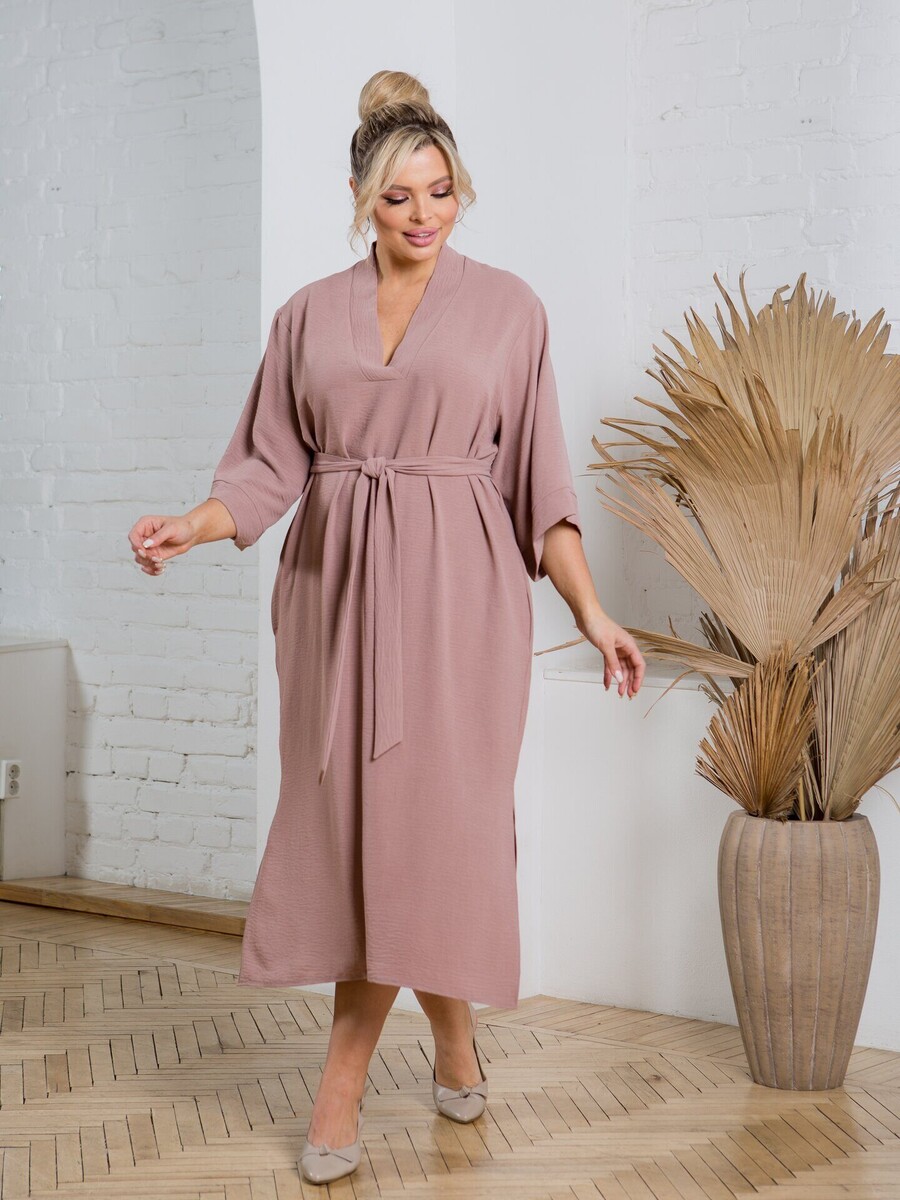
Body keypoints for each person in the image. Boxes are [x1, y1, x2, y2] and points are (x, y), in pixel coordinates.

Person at [128, 68, 645, 1185]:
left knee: (432, 832)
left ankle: (341, 1086)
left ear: (463, 191)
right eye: (399, 197)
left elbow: (542, 489)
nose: (423, 215)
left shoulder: (511, 310)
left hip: (461, 604)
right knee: (358, 832)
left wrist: (595, 613)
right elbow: (265, 468)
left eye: (441, 192)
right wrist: (191, 526)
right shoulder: (307, 314)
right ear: (363, 200)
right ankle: (455, 1043)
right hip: (335, 596)